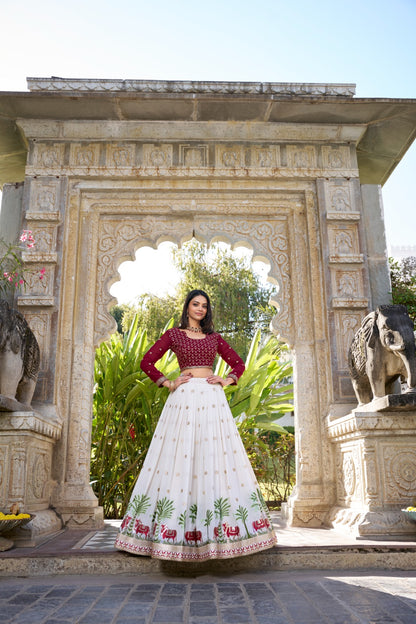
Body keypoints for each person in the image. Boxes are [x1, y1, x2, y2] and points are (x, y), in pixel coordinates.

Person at [115, 289, 277, 561]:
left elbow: (238, 363)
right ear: (187, 307)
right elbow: (147, 361)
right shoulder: (174, 335)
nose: (200, 309)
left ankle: (223, 534)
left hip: (212, 400)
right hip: (184, 399)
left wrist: (226, 380)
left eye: (204, 305)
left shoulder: (214, 338)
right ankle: (170, 535)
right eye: (195, 304)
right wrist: (168, 382)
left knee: (213, 458)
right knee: (179, 460)